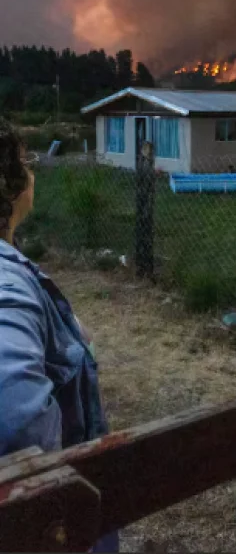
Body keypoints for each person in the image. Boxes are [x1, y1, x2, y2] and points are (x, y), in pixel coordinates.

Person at [0, 120, 118, 553]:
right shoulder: (6, 284)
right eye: (25, 163)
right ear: (12, 187)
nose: (32, 173)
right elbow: (12, 418)